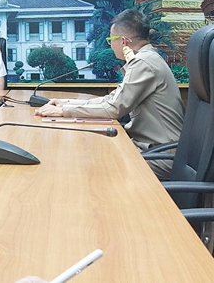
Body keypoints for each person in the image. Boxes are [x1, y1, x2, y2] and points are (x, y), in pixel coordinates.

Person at [35, 9, 184, 179]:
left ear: (123, 41)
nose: (110, 45)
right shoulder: (146, 58)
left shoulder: (143, 63)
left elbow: (113, 108)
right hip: (153, 149)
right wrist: (66, 104)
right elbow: (112, 100)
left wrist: (64, 111)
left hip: (161, 155)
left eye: (110, 40)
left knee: (93, 165)